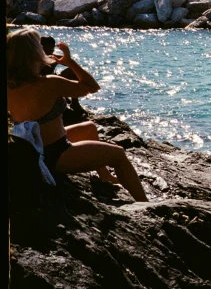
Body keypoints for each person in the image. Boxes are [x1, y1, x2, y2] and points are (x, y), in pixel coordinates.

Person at [6, 28, 148, 202]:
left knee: (89, 128)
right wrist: (70, 62)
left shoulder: (10, 84)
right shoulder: (50, 84)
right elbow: (91, 86)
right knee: (118, 154)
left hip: (32, 148)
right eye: (39, 46)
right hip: (56, 154)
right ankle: (144, 203)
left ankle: (104, 175)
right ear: (33, 52)